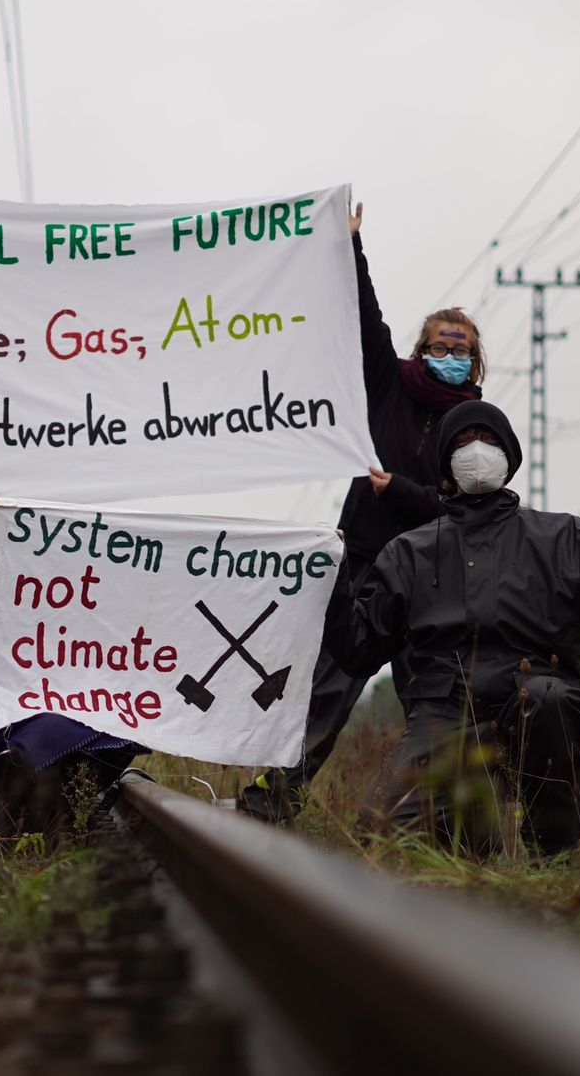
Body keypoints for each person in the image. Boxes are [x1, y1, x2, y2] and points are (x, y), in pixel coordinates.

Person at [330, 401, 580, 855]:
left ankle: (551, 855)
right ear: (445, 465)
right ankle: (464, 849)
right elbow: (357, 650)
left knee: (547, 696)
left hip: (535, 699)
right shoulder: (409, 554)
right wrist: (335, 581)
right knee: (376, 839)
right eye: (461, 442)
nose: (477, 450)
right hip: (445, 713)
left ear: (510, 457)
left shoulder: (561, 540)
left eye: (490, 440)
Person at [239, 202, 486, 821]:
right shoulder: (390, 384)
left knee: (434, 703)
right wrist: (352, 246)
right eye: (440, 343)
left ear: (475, 360)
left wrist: (398, 490)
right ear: (422, 348)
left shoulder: (477, 427)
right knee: (329, 687)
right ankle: (274, 801)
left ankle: (443, 824)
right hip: (369, 567)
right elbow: (365, 321)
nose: (449, 352)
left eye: (461, 347)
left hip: (431, 579)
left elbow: (460, 507)